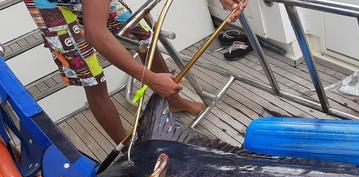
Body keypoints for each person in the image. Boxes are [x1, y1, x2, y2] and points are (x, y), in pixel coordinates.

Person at [23, 0, 248, 144]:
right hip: (50, 5)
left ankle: (174, 102)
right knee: (93, 79)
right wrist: (149, 78)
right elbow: (96, 34)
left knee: (144, 39)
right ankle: (126, 146)